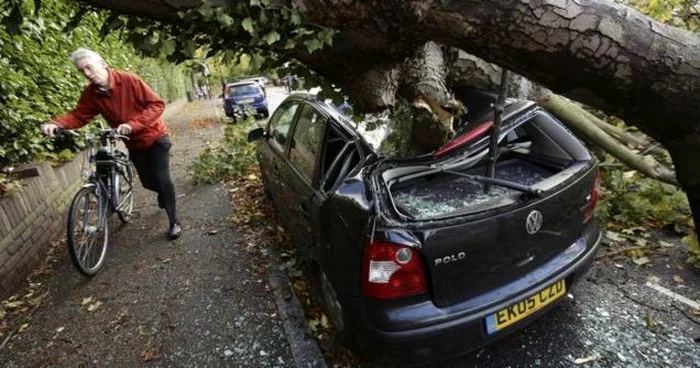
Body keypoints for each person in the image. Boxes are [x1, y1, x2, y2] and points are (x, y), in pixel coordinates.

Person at [41, 47, 182, 240]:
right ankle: (163, 194)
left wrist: (132, 125)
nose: (87, 74)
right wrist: (56, 123)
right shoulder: (91, 94)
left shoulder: (129, 81)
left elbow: (157, 104)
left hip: (156, 137)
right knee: (148, 182)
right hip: (133, 144)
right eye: (82, 71)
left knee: (163, 178)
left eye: (89, 68)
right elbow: (79, 116)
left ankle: (174, 222)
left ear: (103, 64)